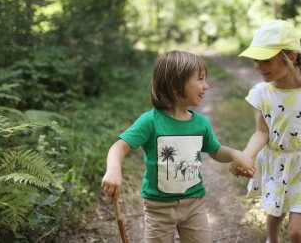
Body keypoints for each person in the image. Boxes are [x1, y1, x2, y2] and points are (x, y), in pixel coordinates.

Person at [101, 50, 256, 242]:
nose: (206, 86)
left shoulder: (201, 123)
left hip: (194, 204)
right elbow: (119, 147)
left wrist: (234, 154)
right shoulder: (150, 121)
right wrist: (113, 169)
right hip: (158, 207)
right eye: (200, 79)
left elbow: (215, 150)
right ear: (175, 87)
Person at [236, 20, 301, 243]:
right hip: (275, 161)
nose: (258, 65)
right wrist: (244, 156)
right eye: (255, 59)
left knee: (296, 232)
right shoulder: (260, 93)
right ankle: (272, 240)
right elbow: (261, 133)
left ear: (292, 56)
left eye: (266, 59)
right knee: (274, 215)